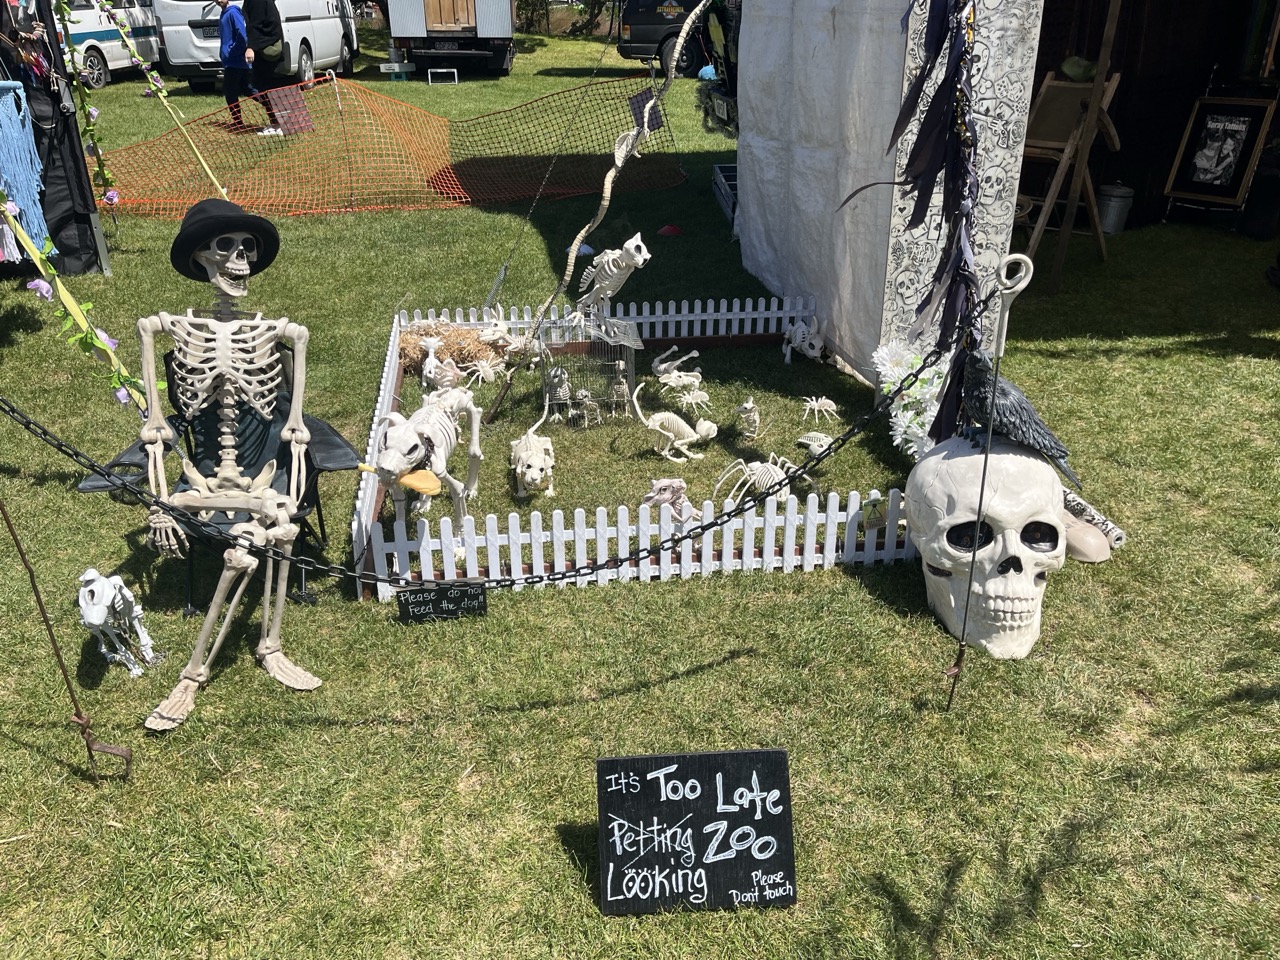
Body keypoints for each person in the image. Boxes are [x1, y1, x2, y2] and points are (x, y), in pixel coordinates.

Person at [214, 0, 278, 135]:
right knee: (248, 89)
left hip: (236, 61)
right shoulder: (224, 13)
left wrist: (233, 51)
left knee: (230, 91)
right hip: (232, 61)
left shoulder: (233, 13)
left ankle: (238, 122)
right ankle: (274, 111)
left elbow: (242, 35)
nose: (218, 0)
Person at [242, 0, 284, 134]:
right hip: (267, 45)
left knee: (265, 86)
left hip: (266, 48)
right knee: (263, 86)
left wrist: (251, 47)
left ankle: (278, 124)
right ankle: (277, 123)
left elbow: (256, 25)